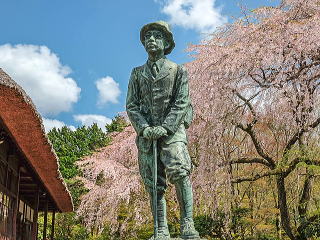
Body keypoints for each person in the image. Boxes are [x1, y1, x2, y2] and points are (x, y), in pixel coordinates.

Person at [126, 21, 199, 240]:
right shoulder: (137, 73)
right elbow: (132, 105)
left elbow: (182, 102)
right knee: (153, 182)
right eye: (147, 37)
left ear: (166, 42)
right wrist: (145, 128)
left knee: (180, 172)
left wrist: (166, 127)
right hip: (147, 136)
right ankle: (160, 227)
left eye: (156, 36)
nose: (151, 40)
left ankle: (188, 223)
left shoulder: (178, 71)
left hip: (173, 133)